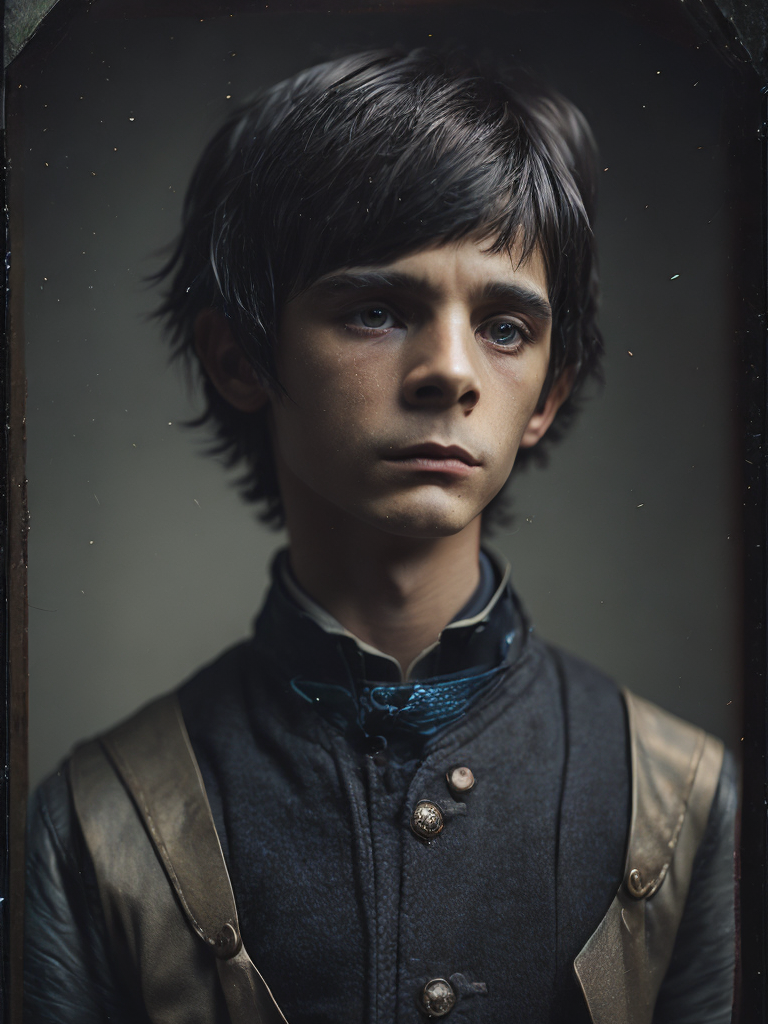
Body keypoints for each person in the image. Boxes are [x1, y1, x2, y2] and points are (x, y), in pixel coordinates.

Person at [24, 48, 737, 1024]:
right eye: (375, 310)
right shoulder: (99, 820)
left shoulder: (685, 798)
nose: (452, 371)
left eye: (506, 326)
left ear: (548, 395)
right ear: (239, 358)